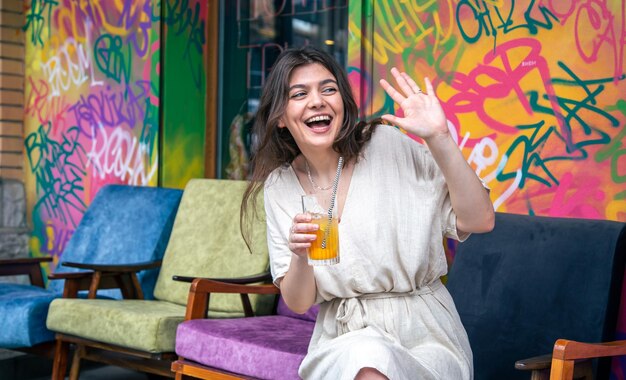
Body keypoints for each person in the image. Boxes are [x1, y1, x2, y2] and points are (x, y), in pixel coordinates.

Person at [241, 46, 494, 380]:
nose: (317, 101)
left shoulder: (386, 145)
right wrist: (299, 256)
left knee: (370, 358)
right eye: (299, 94)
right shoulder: (279, 186)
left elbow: (480, 220)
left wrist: (440, 138)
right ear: (281, 118)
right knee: (366, 356)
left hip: (425, 335)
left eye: (328, 89)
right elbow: (299, 302)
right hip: (342, 338)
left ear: (343, 104)